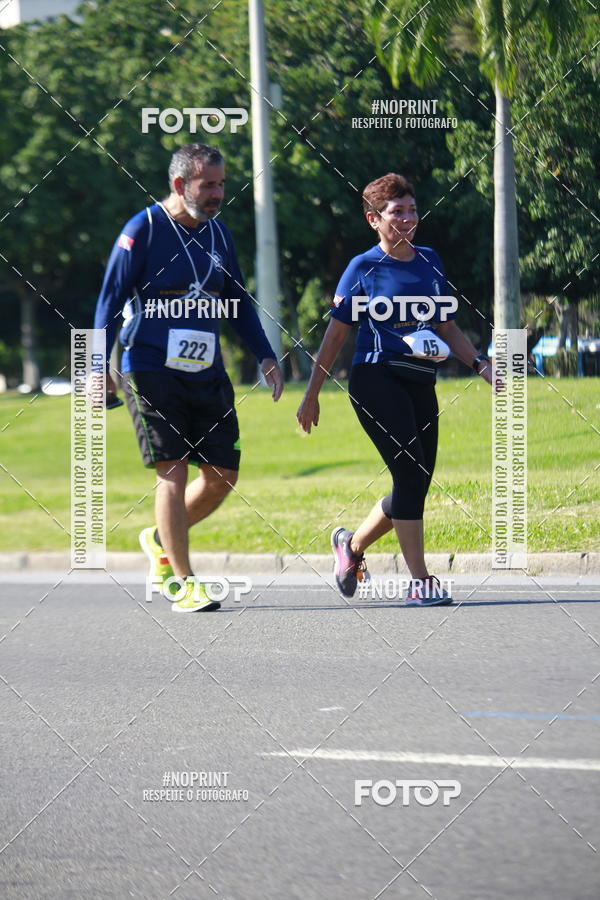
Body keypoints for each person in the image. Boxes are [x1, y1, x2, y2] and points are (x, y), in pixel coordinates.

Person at [94, 143, 283, 612]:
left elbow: (237, 301)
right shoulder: (144, 229)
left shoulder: (220, 235)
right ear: (181, 184)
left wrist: (266, 355)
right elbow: (109, 303)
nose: (219, 192)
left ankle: (161, 539)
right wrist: (98, 369)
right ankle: (182, 580)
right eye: (209, 184)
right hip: (151, 368)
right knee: (172, 472)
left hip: (207, 371)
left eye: (221, 183)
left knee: (222, 476)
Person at [297, 173, 492, 606]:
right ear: (374, 219)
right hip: (374, 378)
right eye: (396, 212)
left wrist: (479, 364)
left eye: (411, 210)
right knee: (408, 474)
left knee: (417, 481)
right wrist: (311, 393)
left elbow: (445, 325)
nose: (407, 219)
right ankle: (419, 582)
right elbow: (334, 337)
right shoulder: (362, 268)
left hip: (420, 379)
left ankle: (350, 547)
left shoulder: (430, 261)